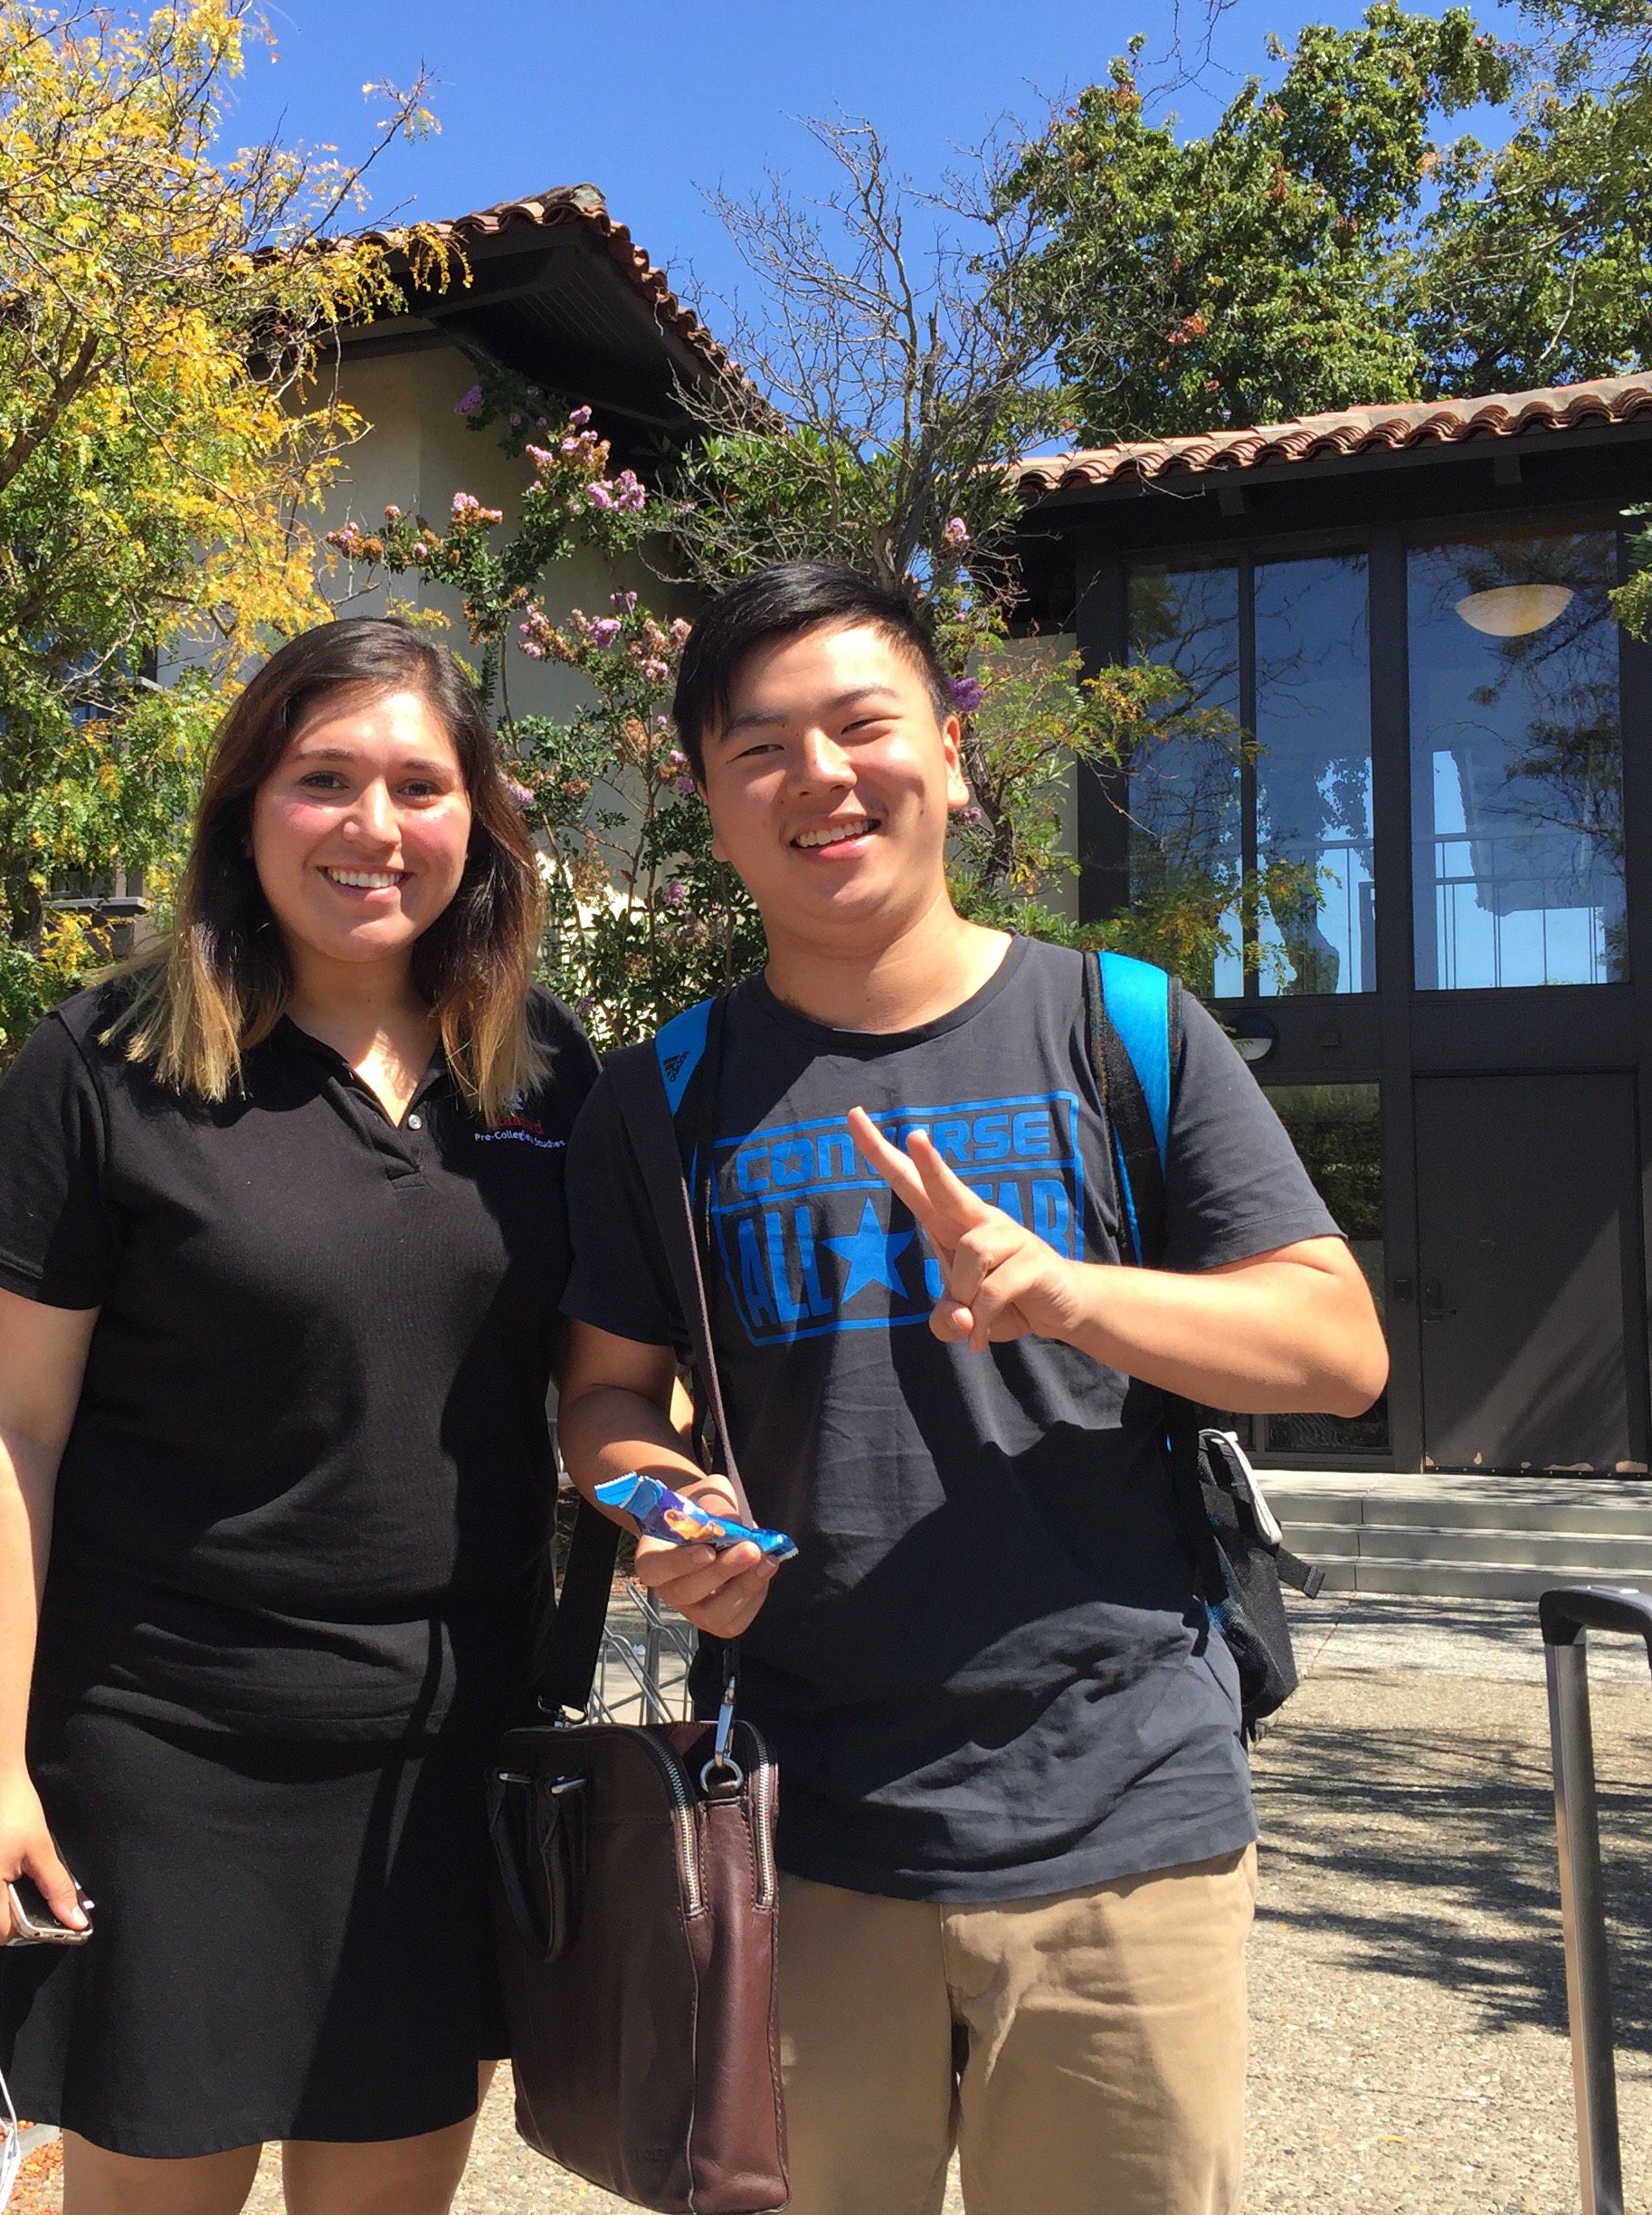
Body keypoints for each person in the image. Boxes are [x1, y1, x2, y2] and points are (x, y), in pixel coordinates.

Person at [555, 563, 1389, 2215]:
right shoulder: (660, 1097)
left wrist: (1071, 1295)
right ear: (709, 802)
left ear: (949, 749)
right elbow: (601, 1399)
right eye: (759, 749)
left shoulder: (1121, 1025)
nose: (819, 777)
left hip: (1126, 1811)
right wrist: (665, 1501)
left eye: (861, 726)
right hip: (795, 1826)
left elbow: (1338, 1348)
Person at [0, 617, 598, 2215]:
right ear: (247, 808)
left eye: (420, 786)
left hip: (440, 1762)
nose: (375, 826)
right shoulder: (105, 1065)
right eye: (324, 780)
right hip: (162, 1753)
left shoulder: (549, 1080)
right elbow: (6, 1433)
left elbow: (606, 1391)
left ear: (479, 823)